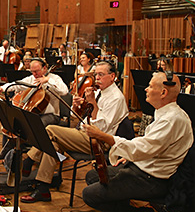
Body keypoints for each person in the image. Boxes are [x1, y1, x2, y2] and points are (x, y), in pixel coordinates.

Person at [82, 71, 193, 212]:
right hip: (144, 168)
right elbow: (151, 145)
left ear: (163, 92)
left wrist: (103, 136)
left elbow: (143, 148)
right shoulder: (165, 113)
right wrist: (128, 156)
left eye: (150, 86)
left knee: (89, 195)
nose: (146, 89)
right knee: (92, 176)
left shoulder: (171, 119)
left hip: (152, 179)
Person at [18, 61, 128, 203]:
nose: (97, 78)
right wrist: (78, 107)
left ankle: (29, 159)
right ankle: (43, 189)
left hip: (99, 141)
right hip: (85, 133)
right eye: (96, 75)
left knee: (50, 129)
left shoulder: (115, 98)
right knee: (53, 144)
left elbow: (99, 129)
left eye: (101, 75)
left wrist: (92, 103)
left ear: (112, 76)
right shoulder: (100, 91)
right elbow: (82, 118)